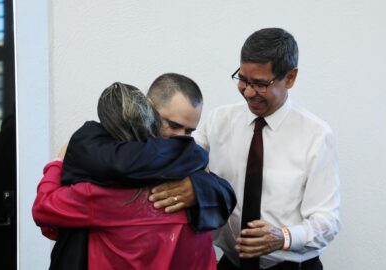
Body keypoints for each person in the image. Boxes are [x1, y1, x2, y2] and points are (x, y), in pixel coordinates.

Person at [33, 82, 224, 270]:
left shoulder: (101, 194)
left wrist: (57, 163)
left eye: (189, 131)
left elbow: (44, 209)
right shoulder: (196, 177)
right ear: (150, 110)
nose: (181, 138)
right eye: (173, 125)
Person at [193, 28, 341, 270]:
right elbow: (181, 161)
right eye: (243, 79)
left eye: (261, 84)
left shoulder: (317, 135)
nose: (249, 92)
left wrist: (284, 237)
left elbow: (327, 222)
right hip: (230, 264)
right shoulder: (218, 121)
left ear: (290, 78)